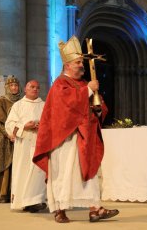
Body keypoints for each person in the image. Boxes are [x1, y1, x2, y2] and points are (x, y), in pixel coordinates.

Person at [32, 36, 119, 223]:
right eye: (78, 62)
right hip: (64, 140)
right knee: (63, 174)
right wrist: (88, 89)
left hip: (84, 138)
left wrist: (98, 108)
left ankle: (95, 209)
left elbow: (95, 106)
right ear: (67, 65)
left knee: (89, 173)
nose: (82, 65)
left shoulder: (81, 83)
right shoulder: (60, 84)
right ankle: (60, 210)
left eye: (81, 62)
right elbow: (66, 106)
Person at [5, 80, 47, 212]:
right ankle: (23, 201)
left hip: (39, 142)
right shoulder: (18, 105)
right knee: (23, 172)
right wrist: (24, 126)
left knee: (37, 172)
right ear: (25, 89)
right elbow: (9, 125)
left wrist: (42, 127)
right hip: (23, 144)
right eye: (32, 87)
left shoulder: (45, 105)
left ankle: (35, 201)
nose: (35, 89)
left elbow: (51, 123)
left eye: (37, 87)